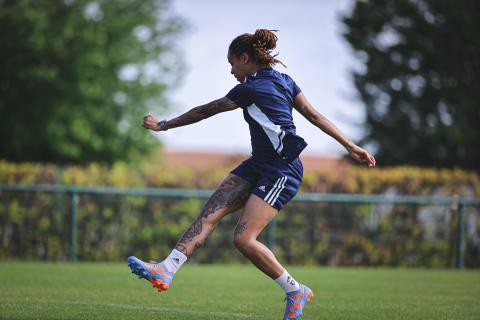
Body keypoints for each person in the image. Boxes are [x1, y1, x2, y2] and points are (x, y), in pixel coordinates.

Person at [128, 29, 376, 320]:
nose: (231, 70)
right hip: (258, 164)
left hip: (282, 169)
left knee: (243, 239)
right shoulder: (284, 81)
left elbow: (205, 111)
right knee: (209, 214)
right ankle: (166, 270)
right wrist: (350, 145)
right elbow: (315, 116)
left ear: (245, 58)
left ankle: (296, 291)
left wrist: (164, 125)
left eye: (232, 62)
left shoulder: (250, 88)